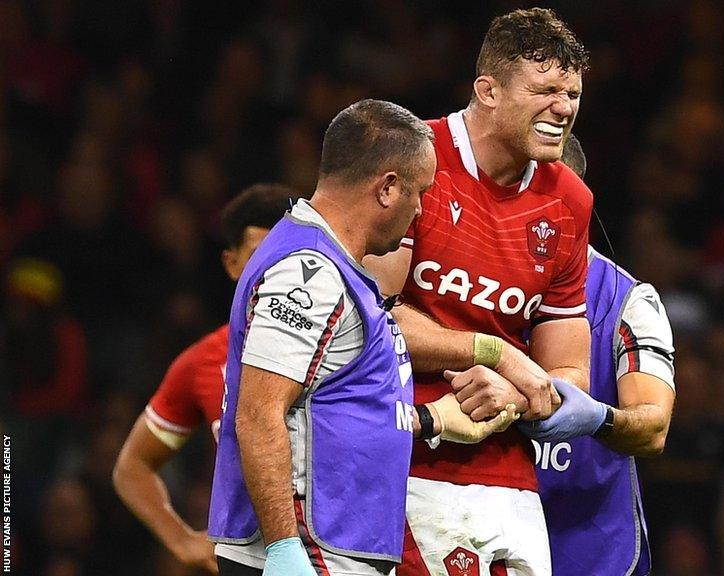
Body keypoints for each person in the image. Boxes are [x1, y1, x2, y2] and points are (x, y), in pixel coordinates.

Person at [208, 99, 516, 576]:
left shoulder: (342, 271)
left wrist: (432, 419)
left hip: (337, 551)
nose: (420, 210)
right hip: (310, 555)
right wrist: (284, 551)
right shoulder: (308, 274)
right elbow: (258, 412)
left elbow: (335, 408)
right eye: (419, 192)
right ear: (388, 188)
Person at [363, 8, 597, 575]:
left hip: (508, 471)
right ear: (487, 90)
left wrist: (516, 394)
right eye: (545, 90)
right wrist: (498, 352)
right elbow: (374, 322)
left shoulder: (569, 200)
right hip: (400, 450)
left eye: (571, 94)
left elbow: (569, 372)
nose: (563, 109)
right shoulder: (414, 159)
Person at [113, 183, 300, 574]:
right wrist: (182, 540)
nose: (275, 272)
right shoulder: (202, 363)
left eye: (288, 257)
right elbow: (133, 467)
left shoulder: (350, 343)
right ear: (231, 264)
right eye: (258, 257)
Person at [532, 135, 675, 576]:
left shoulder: (629, 301)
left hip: (591, 552)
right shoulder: (467, 280)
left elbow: (653, 426)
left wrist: (598, 418)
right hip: (481, 536)